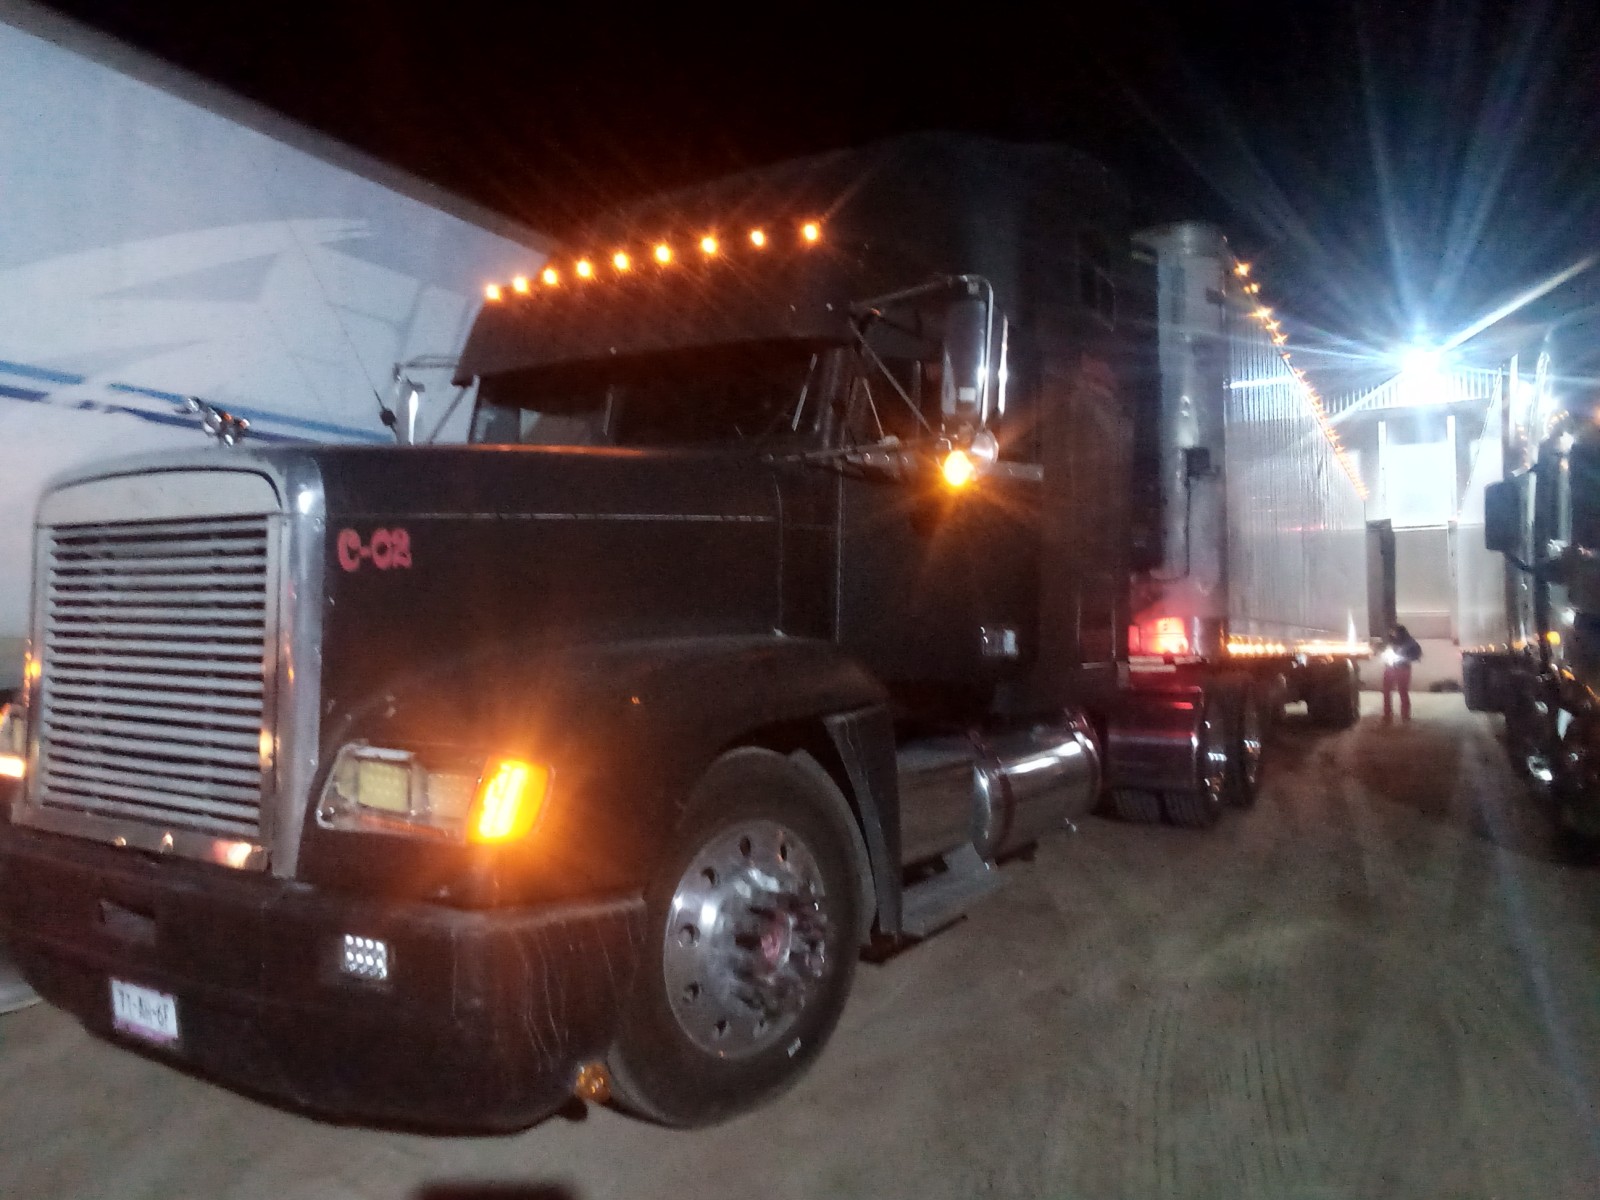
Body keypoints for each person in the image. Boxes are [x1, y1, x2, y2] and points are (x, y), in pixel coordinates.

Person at [1381, 624, 1423, 723]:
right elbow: (1383, 649)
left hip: (1402, 669)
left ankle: (1404, 715)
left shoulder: (1410, 643)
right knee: (1387, 691)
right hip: (1391, 668)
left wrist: (1404, 658)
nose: (1392, 634)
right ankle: (1388, 713)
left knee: (1402, 692)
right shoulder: (1391, 641)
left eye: (1394, 632)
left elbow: (1416, 654)